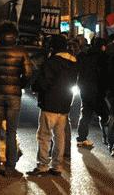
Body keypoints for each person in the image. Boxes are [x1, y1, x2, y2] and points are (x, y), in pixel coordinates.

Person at [0, 22, 32, 178]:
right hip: (14, 95)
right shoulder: (21, 52)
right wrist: (19, 84)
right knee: (11, 131)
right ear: (15, 36)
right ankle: (10, 167)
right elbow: (28, 74)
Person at [27, 35, 78, 176]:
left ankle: (43, 165)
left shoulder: (52, 62)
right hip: (65, 104)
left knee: (44, 135)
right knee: (59, 136)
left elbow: (44, 82)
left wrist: (35, 86)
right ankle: (57, 166)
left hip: (50, 103)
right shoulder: (73, 62)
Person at [77, 37, 109, 148]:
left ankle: (81, 138)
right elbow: (105, 76)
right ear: (103, 46)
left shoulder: (85, 56)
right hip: (97, 91)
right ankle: (109, 139)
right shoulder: (103, 57)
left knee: (86, 113)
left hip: (85, 89)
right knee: (106, 116)